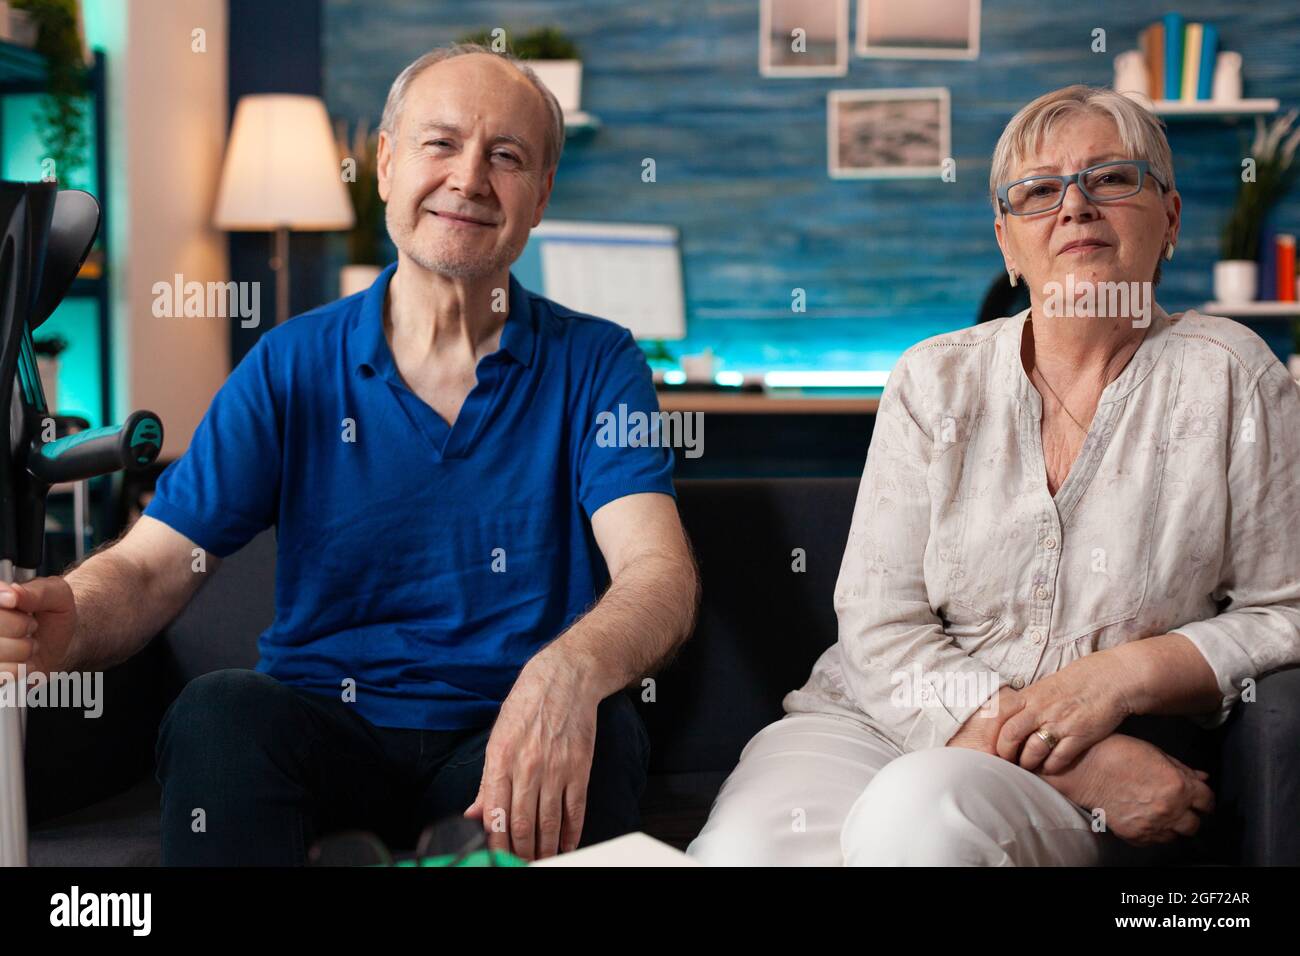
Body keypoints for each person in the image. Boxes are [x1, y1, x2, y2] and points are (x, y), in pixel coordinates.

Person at [0, 44, 698, 865]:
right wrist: (71, 613)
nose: (470, 178)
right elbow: (156, 566)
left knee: (606, 728)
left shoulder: (600, 363)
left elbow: (660, 572)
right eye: (440, 144)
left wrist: (571, 672)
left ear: (540, 195)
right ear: (388, 163)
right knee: (217, 712)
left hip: (500, 736)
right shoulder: (290, 363)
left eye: (506, 156)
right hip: (324, 730)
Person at [688, 84, 1300, 866]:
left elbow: (1283, 608)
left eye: (1111, 178)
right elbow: (880, 626)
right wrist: (1074, 762)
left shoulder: (1234, 378)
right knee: (740, 854)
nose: (1075, 207)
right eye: (1040, 191)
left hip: (1094, 751)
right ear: (1009, 244)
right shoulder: (931, 381)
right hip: (870, 720)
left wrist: (1124, 675)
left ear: (1171, 218)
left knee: (920, 820)